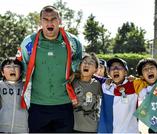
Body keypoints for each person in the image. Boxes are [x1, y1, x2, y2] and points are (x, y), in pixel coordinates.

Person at [16, 5, 84, 133]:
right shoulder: (28, 43)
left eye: (53, 19)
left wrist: (75, 72)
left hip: (64, 104)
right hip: (37, 104)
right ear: (40, 22)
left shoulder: (73, 42)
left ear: (60, 20)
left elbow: (81, 62)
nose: (49, 22)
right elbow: (20, 68)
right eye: (45, 19)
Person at [98, 57, 140, 133]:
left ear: (125, 72)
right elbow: (88, 76)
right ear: (108, 73)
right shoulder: (104, 85)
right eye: (112, 68)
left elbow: (152, 80)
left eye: (119, 67)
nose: (115, 70)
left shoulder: (135, 84)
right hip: (108, 131)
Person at [72, 53, 102, 132]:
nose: (86, 64)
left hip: (92, 128)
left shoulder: (98, 84)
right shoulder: (72, 81)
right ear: (80, 66)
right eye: (84, 62)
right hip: (74, 127)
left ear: (96, 69)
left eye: (91, 63)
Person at [0, 58, 28, 133]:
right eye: (8, 67)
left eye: (16, 66)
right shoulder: (1, 85)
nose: (12, 69)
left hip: (23, 129)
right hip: (3, 128)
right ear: (2, 72)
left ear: (21, 72)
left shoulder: (26, 87)